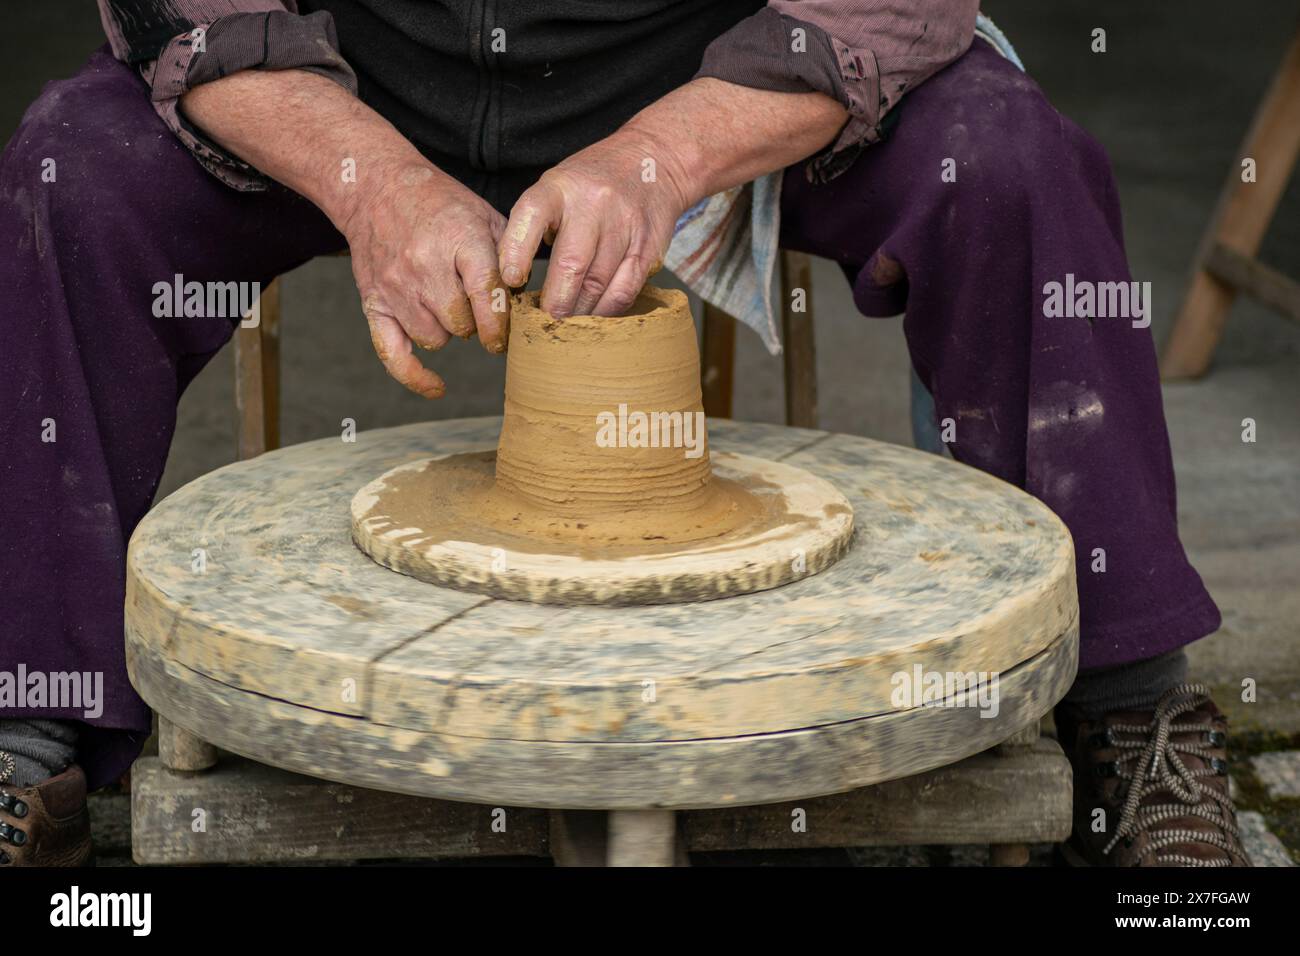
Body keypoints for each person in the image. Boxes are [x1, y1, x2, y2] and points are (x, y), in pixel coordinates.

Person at [0, 0, 1246, 867]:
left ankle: (1132, 712)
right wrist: (371, 177)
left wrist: (660, 154)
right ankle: (30, 728)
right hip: (335, 81)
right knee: (73, 170)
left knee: (1009, 158)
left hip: (720, 77)